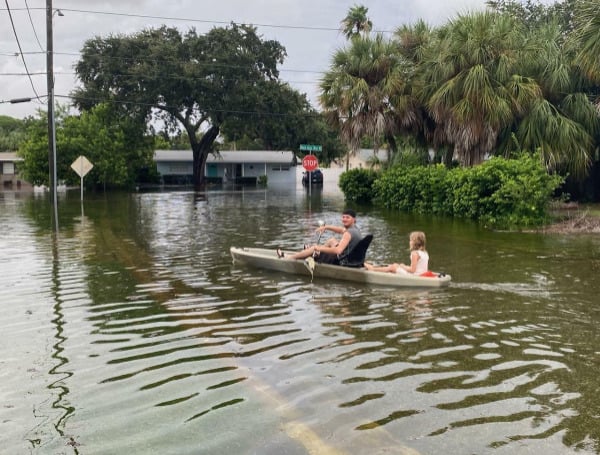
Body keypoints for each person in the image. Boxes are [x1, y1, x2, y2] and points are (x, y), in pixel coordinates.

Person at [277, 209, 362, 266]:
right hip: (349, 257)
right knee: (332, 240)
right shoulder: (355, 229)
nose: (344, 219)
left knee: (315, 247)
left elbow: (338, 250)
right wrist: (326, 227)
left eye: (347, 217)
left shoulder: (348, 233)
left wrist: (319, 248)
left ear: (354, 219)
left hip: (343, 261)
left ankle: (290, 257)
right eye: (343, 217)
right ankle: (315, 253)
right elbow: (340, 230)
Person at [364, 231, 429, 275]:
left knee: (393, 267)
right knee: (396, 265)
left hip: (415, 276)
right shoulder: (424, 253)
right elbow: (417, 268)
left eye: (410, 240)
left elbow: (412, 270)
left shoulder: (415, 253)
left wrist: (403, 266)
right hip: (421, 274)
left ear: (415, 242)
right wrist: (403, 266)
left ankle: (373, 269)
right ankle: (379, 269)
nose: (409, 242)